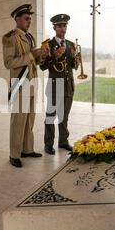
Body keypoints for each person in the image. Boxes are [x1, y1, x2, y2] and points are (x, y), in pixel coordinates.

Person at [2, 4, 48, 168]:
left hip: (32, 82)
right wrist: (31, 55)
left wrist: (40, 56)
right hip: (20, 84)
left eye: (30, 19)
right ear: (17, 19)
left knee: (29, 119)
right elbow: (8, 63)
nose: (29, 21)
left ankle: (27, 149)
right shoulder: (10, 38)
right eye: (26, 18)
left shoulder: (30, 37)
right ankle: (14, 154)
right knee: (18, 120)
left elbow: (32, 61)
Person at [40, 14, 79, 155]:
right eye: (60, 26)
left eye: (65, 25)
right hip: (55, 85)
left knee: (64, 116)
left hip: (68, 85)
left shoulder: (70, 44)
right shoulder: (47, 45)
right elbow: (43, 66)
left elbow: (73, 66)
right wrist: (55, 57)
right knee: (51, 116)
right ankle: (48, 144)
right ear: (54, 27)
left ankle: (63, 141)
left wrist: (76, 59)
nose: (63, 28)